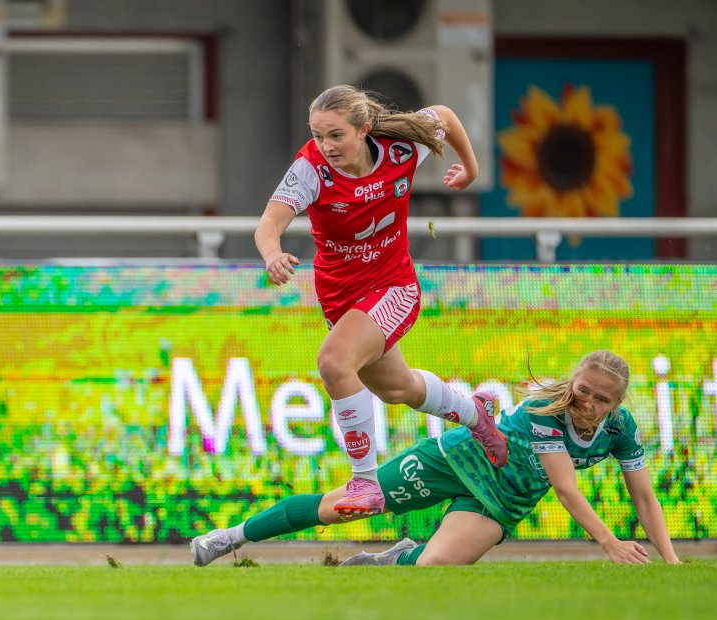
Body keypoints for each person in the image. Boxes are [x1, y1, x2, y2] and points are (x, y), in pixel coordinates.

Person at [257, 84, 506, 516]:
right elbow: (268, 224)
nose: (325, 146)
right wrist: (273, 254)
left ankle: (366, 484)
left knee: (334, 362)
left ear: (364, 129)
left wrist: (470, 169)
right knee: (399, 389)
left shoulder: (401, 148)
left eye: (336, 135)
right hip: (341, 299)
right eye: (317, 135)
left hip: (393, 287)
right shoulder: (311, 169)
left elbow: (444, 115)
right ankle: (475, 414)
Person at [190, 350, 682, 567]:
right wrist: (610, 543)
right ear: (572, 384)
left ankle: (398, 555)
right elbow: (565, 488)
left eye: (601, 399)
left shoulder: (621, 430)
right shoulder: (543, 411)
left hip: (501, 500)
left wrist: (671, 558)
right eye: (583, 390)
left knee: (436, 565)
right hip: (455, 461)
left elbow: (643, 494)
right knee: (338, 507)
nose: (588, 403)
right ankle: (226, 539)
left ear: (616, 406)